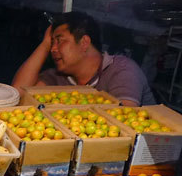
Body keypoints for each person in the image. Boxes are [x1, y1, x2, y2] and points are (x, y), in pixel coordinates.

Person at [12, 11, 156, 106]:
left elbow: (125, 115)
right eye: (52, 43)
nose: (53, 49)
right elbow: (17, 94)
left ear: (84, 42)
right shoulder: (59, 76)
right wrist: (44, 45)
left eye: (59, 41)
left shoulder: (121, 69)